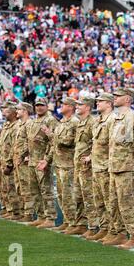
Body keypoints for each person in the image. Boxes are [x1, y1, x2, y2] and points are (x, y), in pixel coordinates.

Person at [105, 88, 134, 250]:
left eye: (118, 96)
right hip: (114, 166)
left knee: (127, 203)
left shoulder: (132, 119)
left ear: (128, 99)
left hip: (127, 167)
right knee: (114, 203)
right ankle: (120, 233)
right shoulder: (116, 119)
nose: (114, 98)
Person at [45, 97, 81, 234]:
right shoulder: (62, 122)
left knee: (68, 195)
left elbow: (69, 141)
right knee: (61, 195)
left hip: (68, 163)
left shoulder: (74, 122)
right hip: (59, 162)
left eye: (64, 104)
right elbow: (56, 143)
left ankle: (73, 222)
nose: (61, 106)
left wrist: (52, 135)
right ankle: (67, 220)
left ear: (71, 107)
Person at [26, 97, 58, 229]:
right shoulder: (34, 121)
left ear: (46, 107)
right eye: (37, 105)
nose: (39, 107)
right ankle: (41, 216)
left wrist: (47, 159)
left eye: (42, 105)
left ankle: (50, 218)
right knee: (35, 191)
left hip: (43, 161)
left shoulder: (50, 120)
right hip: (32, 160)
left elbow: (53, 142)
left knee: (46, 190)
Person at [90, 93, 115, 242]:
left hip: (106, 166)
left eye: (100, 101)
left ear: (109, 104)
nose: (97, 103)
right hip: (96, 165)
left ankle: (113, 230)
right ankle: (104, 228)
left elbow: (113, 144)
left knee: (109, 201)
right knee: (98, 201)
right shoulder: (98, 120)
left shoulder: (112, 119)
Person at [73, 96, 98, 238]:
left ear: (87, 107)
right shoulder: (81, 123)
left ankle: (93, 226)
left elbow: (97, 142)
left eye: (80, 105)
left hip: (87, 166)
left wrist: (91, 157)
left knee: (89, 196)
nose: (77, 106)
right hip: (79, 166)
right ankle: (81, 224)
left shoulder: (92, 123)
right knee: (79, 196)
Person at [0, 101, 20, 218]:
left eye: (7, 111)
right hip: (3, 161)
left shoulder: (17, 126)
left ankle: (16, 211)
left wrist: (9, 163)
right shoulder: (6, 126)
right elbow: (1, 145)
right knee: (3, 187)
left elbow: (15, 146)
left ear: (14, 113)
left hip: (11, 162)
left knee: (12, 187)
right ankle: (8, 209)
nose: (4, 114)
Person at [13, 102, 35, 222]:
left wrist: (25, 155)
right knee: (19, 186)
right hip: (18, 159)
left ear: (25, 111)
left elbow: (30, 142)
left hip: (24, 160)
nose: (16, 111)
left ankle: (28, 213)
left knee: (26, 187)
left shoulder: (29, 124)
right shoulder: (19, 124)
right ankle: (22, 211)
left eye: (19, 109)